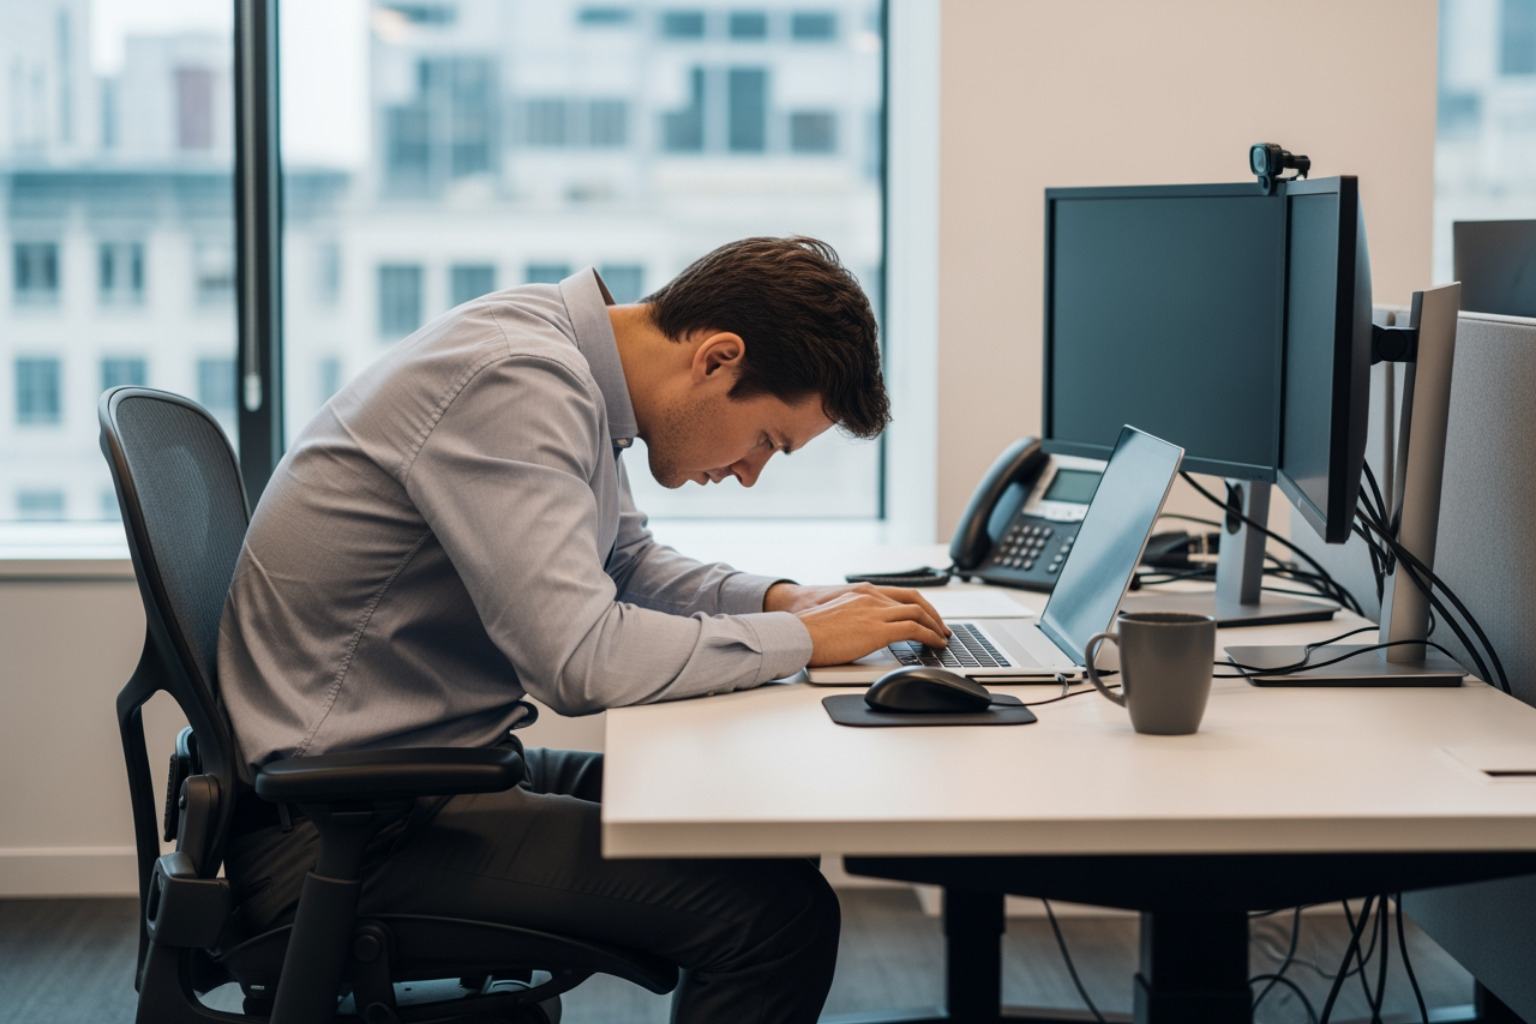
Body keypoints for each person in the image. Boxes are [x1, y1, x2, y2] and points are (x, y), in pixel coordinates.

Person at [217, 235, 950, 1023]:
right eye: (767, 439)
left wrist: (784, 602)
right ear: (717, 358)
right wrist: (805, 643)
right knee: (775, 917)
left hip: (407, 780)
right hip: (345, 830)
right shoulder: (518, 380)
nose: (750, 470)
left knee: (753, 827)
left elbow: (625, 565)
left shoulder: (560, 358)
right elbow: (580, 660)